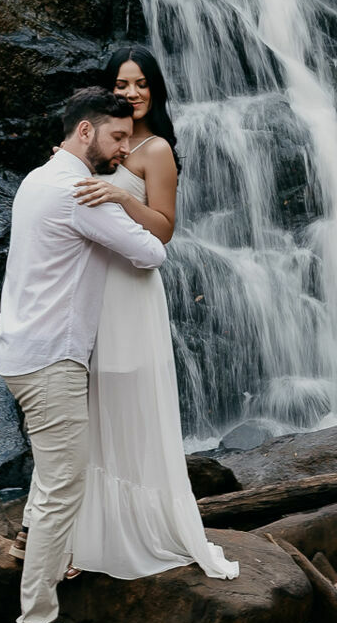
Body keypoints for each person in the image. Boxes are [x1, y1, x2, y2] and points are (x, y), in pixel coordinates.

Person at [0, 88, 168, 623]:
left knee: (54, 471)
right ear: (86, 132)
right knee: (64, 481)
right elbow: (150, 253)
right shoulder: (78, 192)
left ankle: (34, 548)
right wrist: (121, 199)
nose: (124, 151)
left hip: (22, 350)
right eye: (117, 137)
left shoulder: (36, 179)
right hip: (50, 358)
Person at [69, 44, 240, 581]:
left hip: (134, 287)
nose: (132, 93)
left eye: (141, 83)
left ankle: (140, 527)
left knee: (129, 396)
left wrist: (120, 199)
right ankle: (91, 530)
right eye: (122, 84)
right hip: (95, 286)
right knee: (95, 403)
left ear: (154, 89)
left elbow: (165, 228)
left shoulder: (156, 150)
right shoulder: (104, 144)